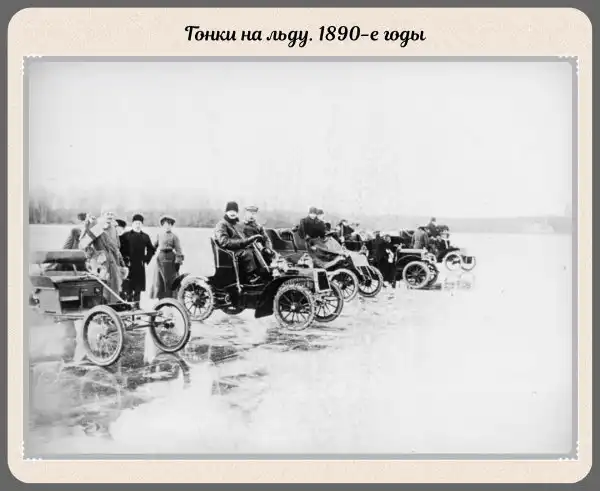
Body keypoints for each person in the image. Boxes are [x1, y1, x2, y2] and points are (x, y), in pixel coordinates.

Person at [214, 201, 263, 283]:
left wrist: (250, 242)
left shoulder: (237, 224)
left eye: (235, 211)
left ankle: (262, 274)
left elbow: (242, 238)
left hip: (238, 248)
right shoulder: (221, 224)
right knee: (247, 253)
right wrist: (245, 242)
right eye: (230, 211)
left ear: (237, 213)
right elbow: (224, 242)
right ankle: (250, 277)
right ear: (226, 212)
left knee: (256, 251)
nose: (232, 213)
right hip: (228, 251)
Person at [121, 214, 155, 303]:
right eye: (136, 223)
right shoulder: (126, 235)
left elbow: (151, 249)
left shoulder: (145, 236)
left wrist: (146, 259)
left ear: (142, 224)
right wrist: (124, 260)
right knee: (128, 286)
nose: (137, 225)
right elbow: (120, 248)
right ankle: (128, 305)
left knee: (138, 287)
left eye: (139, 223)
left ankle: (137, 305)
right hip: (128, 264)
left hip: (139, 265)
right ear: (132, 224)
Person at [150, 215, 184, 300]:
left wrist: (178, 262)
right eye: (166, 224)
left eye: (169, 224)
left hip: (170, 259)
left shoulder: (174, 236)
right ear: (162, 225)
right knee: (159, 280)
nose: (167, 226)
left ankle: (171, 299)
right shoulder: (159, 235)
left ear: (171, 225)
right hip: (160, 258)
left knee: (170, 280)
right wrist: (148, 254)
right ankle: (161, 299)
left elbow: (179, 250)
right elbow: (154, 246)